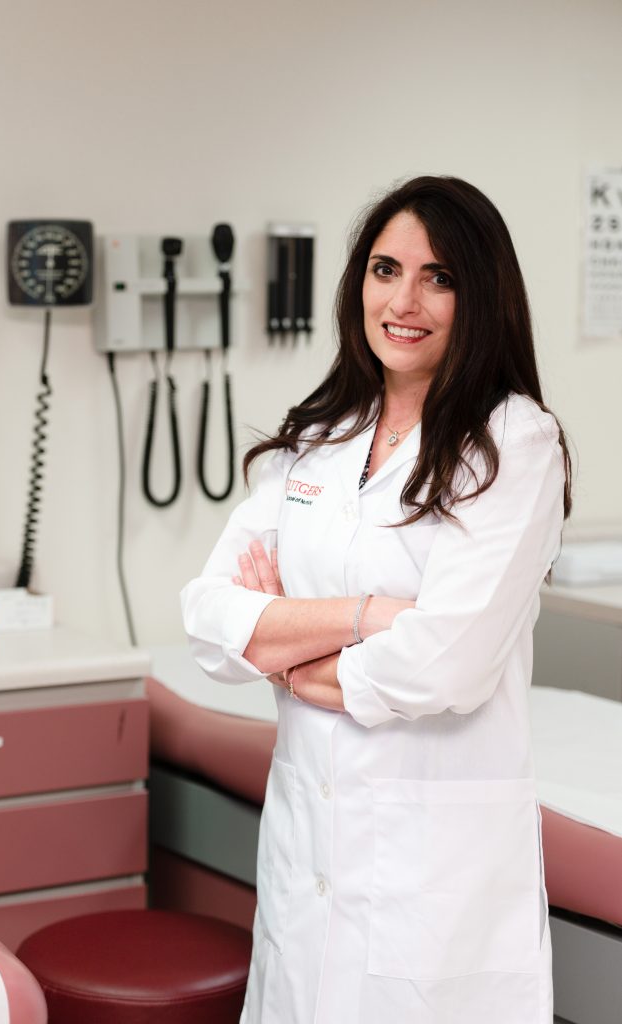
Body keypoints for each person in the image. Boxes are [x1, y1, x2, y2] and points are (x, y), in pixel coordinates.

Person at [181, 175, 572, 1024]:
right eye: (385, 269)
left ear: (482, 297)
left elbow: (442, 666)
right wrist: (368, 617)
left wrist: (279, 651)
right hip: (304, 860)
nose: (404, 300)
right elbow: (208, 623)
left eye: (439, 278)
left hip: (432, 892)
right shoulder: (318, 439)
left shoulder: (512, 443)